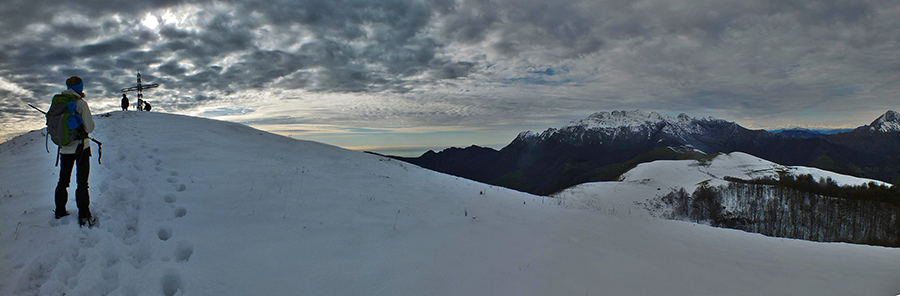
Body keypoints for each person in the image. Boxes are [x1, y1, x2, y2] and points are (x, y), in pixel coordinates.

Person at [54, 76, 96, 227]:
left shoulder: (59, 103)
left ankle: (60, 210)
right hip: (81, 148)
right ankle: (84, 214)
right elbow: (90, 128)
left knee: (63, 181)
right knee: (82, 182)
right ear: (80, 87)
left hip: (64, 148)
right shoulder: (80, 103)